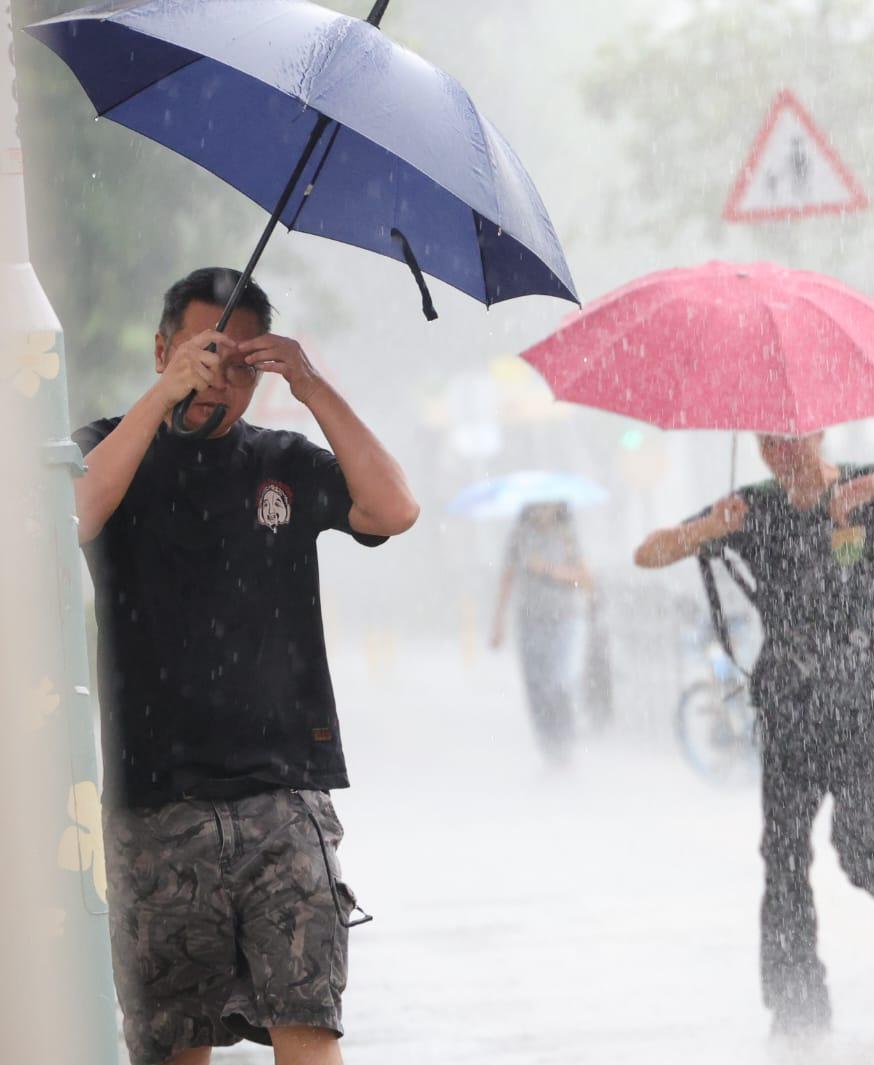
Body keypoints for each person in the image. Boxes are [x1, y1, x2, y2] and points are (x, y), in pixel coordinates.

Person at [75, 268, 419, 1065]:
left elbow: (394, 507)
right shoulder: (109, 449)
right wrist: (161, 399)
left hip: (285, 800)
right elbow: (71, 513)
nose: (216, 380)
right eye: (200, 353)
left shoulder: (284, 462)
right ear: (163, 348)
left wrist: (310, 383)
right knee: (173, 1046)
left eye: (238, 365)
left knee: (311, 1028)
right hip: (158, 804)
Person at [634, 432, 874, 1035]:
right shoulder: (752, 506)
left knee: (861, 853)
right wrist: (707, 528)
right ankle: (797, 1003)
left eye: (790, 437)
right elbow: (649, 553)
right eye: (767, 440)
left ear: (819, 430)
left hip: (868, 700)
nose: (779, 450)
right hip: (790, 704)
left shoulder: (867, 485)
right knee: (783, 855)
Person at [489, 501, 595, 759]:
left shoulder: (567, 534)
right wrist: (498, 622)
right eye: (538, 506)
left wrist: (547, 569)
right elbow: (507, 576)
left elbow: (585, 578)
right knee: (535, 683)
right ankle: (547, 742)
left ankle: (565, 737)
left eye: (548, 505)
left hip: (564, 618)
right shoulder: (520, 534)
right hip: (529, 620)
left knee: (558, 680)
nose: (543, 511)